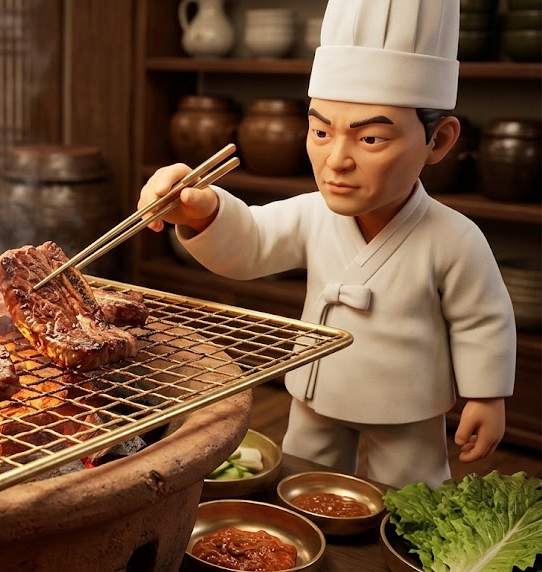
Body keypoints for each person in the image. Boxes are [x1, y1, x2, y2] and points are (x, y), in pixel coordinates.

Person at [137, 0, 516, 489]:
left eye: (372, 139)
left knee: (410, 496)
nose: (336, 160)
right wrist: (203, 211)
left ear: (438, 140)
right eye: (320, 131)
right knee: (303, 482)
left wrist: (486, 395)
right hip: (318, 389)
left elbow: (482, 319)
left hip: (408, 402)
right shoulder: (313, 213)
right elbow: (253, 239)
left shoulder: (454, 237)